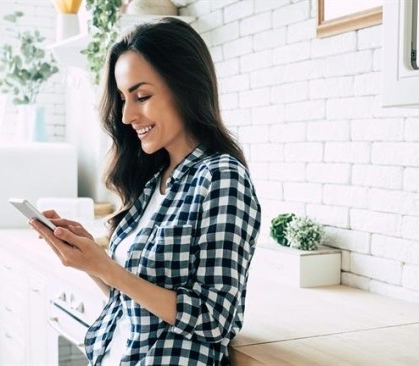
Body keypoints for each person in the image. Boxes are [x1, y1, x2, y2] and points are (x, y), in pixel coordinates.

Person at [30, 17, 261, 365]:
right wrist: (90, 259)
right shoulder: (155, 180)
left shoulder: (221, 178)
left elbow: (216, 320)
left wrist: (108, 269)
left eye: (141, 96)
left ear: (186, 88)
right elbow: (133, 302)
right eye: (123, 98)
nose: (126, 116)